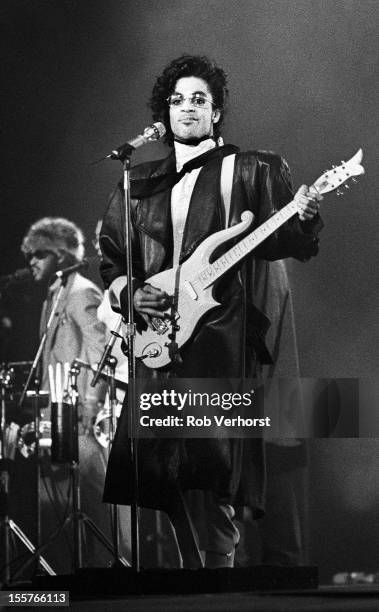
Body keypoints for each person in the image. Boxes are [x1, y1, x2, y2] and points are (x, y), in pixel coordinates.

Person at [99, 55, 323, 568]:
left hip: (219, 337)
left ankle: (215, 580)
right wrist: (131, 294)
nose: (188, 108)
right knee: (158, 471)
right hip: (157, 337)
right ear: (164, 112)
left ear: (217, 111)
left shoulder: (248, 168)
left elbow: (285, 238)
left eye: (199, 99)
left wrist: (305, 216)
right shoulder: (138, 183)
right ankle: (192, 578)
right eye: (177, 100)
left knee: (211, 466)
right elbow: (111, 257)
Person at [21, 217, 107, 428]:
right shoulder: (52, 297)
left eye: (39, 254)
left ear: (60, 255)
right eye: (29, 256)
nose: (32, 262)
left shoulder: (81, 292)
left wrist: (91, 403)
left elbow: (99, 349)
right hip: (56, 413)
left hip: (77, 416)